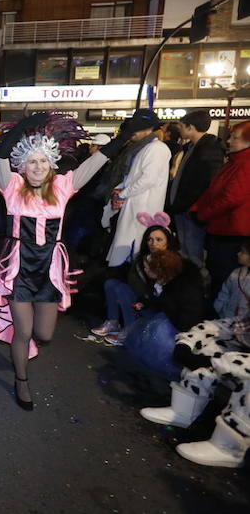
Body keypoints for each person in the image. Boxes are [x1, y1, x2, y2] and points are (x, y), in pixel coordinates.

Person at [0, 111, 131, 410]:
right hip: (19, 268)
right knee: (23, 331)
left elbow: (95, 163)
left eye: (43, 161)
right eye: (32, 161)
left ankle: (22, 346)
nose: (37, 166)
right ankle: (21, 380)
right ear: (23, 165)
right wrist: (20, 128)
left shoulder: (62, 187)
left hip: (49, 269)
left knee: (43, 333)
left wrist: (123, 137)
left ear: (51, 165)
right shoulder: (11, 187)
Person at [138, 240, 250, 468]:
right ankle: (184, 410)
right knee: (207, 347)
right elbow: (239, 324)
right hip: (242, 342)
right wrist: (193, 337)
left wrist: (225, 361)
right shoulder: (240, 275)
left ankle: (229, 445)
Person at [93, 218, 181, 345]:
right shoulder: (143, 258)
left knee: (122, 290)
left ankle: (130, 331)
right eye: (150, 239)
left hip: (158, 307)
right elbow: (134, 282)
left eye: (159, 240)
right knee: (111, 284)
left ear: (167, 242)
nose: (153, 243)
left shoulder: (172, 262)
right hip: (143, 299)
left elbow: (167, 294)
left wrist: (148, 290)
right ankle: (113, 322)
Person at [104, 109, 172, 268]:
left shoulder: (157, 149)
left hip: (142, 208)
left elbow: (148, 179)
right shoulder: (145, 148)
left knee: (137, 249)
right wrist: (121, 190)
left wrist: (123, 192)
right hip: (134, 205)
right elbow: (135, 177)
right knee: (129, 248)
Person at [190, 120, 250, 296]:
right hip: (223, 229)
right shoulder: (234, 162)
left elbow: (230, 198)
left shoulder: (244, 164)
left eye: (234, 137)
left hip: (232, 233)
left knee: (224, 280)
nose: (229, 141)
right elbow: (214, 192)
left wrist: (202, 214)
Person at [166, 111, 225, 265]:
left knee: (193, 251)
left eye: (181, 126)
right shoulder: (190, 147)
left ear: (190, 127)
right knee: (185, 249)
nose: (178, 129)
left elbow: (207, 183)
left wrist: (192, 207)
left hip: (192, 211)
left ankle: (195, 283)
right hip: (182, 207)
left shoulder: (209, 149)